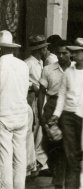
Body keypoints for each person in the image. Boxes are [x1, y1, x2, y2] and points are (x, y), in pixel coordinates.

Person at [50, 37, 83, 189]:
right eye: (72, 52)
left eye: (77, 52)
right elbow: (62, 95)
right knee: (71, 156)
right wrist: (56, 115)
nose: (73, 55)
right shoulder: (68, 72)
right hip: (69, 117)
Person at [39, 40, 71, 189]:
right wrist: (40, 114)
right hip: (52, 106)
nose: (61, 55)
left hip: (69, 108)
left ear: (70, 53)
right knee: (48, 144)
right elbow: (41, 93)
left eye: (65, 52)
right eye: (59, 52)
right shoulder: (47, 69)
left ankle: (60, 181)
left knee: (63, 146)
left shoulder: (75, 70)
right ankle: (56, 171)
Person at [0, 30, 29, 189]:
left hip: (3, 116)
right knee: (20, 157)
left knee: (5, 157)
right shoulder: (23, 65)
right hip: (21, 114)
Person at [24, 34, 49, 176]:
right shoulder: (28, 63)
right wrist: (32, 85)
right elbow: (23, 80)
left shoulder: (41, 63)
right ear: (40, 49)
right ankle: (32, 163)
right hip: (32, 99)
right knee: (34, 129)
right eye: (44, 48)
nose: (45, 50)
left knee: (40, 130)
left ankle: (39, 162)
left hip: (42, 98)